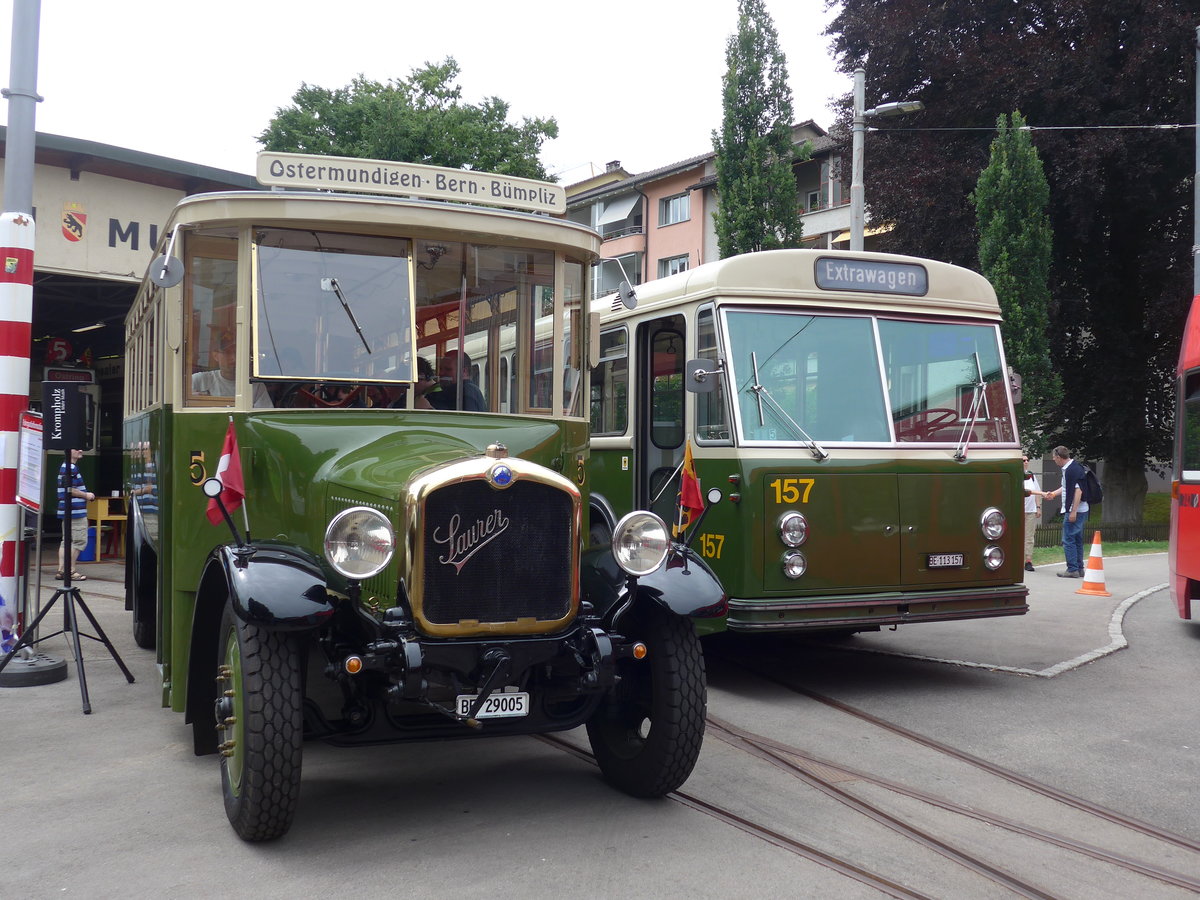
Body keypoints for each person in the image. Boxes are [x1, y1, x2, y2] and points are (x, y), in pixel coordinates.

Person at [192, 331, 272, 408]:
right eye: (227, 352)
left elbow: (264, 419)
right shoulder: (198, 380)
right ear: (216, 356)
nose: (234, 358)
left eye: (237, 352)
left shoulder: (256, 386)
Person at [1044, 445, 1089, 578]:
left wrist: (1073, 511)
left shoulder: (1071, 470)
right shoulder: (1072, 467)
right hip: (1080, 509)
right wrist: (1053, 494)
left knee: (1068, 539)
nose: (1053, 460)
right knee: (1076, 539)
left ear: (1058, 457)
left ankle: (1072, 569)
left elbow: (1078, 490)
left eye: (1054, 457)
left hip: (1075, 510)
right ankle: (1079, 568)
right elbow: (1065, 487)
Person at [56, 448, 94, 581]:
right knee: (78, 541)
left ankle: (61, 570)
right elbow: (69, 489)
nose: (81, 450)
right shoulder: (70, 468)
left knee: (66, 541)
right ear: (68, 451)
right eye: (76, 448)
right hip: (75, 511)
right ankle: (70, 570)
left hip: (67, 510)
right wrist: (87, 495)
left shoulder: (66, 467)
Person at [1022, 455, 1043, 573]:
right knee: (1018, 536)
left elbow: (1037, 493)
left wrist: (1038, 507)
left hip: (1030, 510)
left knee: (1029, 537)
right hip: (1018, 511)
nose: (1026, 462)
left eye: (1027, 460)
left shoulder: (1031, 476)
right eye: (1023, 460)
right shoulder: (1016, 475)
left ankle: (1028, 561)